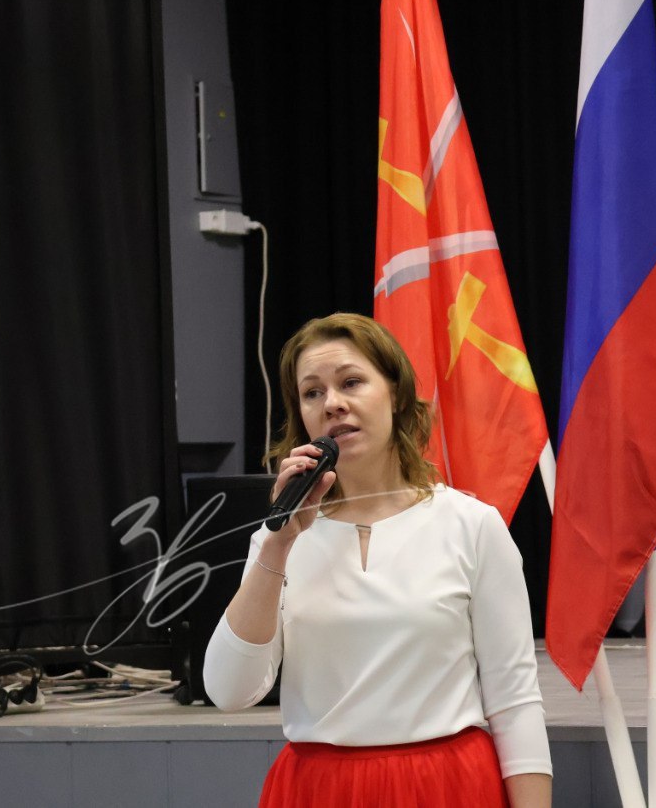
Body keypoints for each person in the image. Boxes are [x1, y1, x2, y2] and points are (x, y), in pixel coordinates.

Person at [204, 312, 552, 807]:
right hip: (319, 790)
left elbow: (515, 701)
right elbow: (228, 691)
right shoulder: (280, 538)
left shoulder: (470, 524)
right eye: (312, 392)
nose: (333, 403)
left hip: (445, 785)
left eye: (351, 382)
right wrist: (278, 544)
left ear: (396, 393)